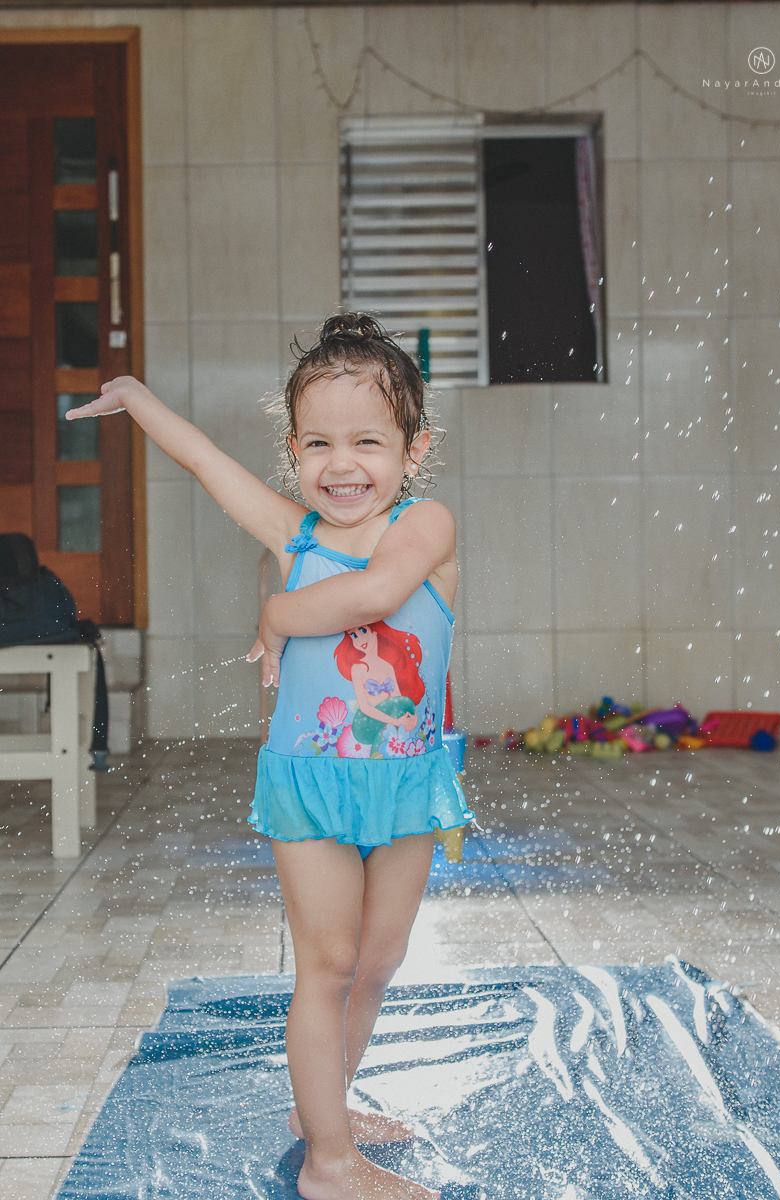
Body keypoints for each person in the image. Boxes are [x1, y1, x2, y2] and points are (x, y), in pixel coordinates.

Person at [68, 313, 474, 1200]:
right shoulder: (294, 536)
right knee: (325, 964)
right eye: (319, 442)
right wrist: (137, 400)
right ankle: (330, 1161)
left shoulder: (427, 526)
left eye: (368, 441)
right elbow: (210, 467)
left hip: (406, 782)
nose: (343, 463)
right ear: (294, 449)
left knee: (378, 961)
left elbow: (373, 592)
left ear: (413, 448)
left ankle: (317, 1111)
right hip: (309, 788)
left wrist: (276, 616)